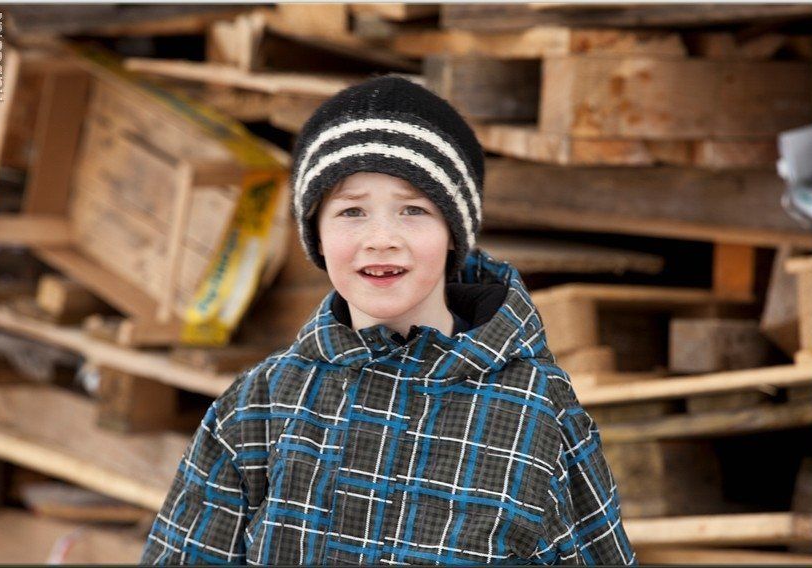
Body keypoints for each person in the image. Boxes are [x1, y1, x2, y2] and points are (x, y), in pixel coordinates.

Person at [140, 75, 637, 566]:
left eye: (413, 210)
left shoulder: (535, 408)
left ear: (453, 232)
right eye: (351, 212)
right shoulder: (261, 405)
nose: (381, 239)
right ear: (315, 233)